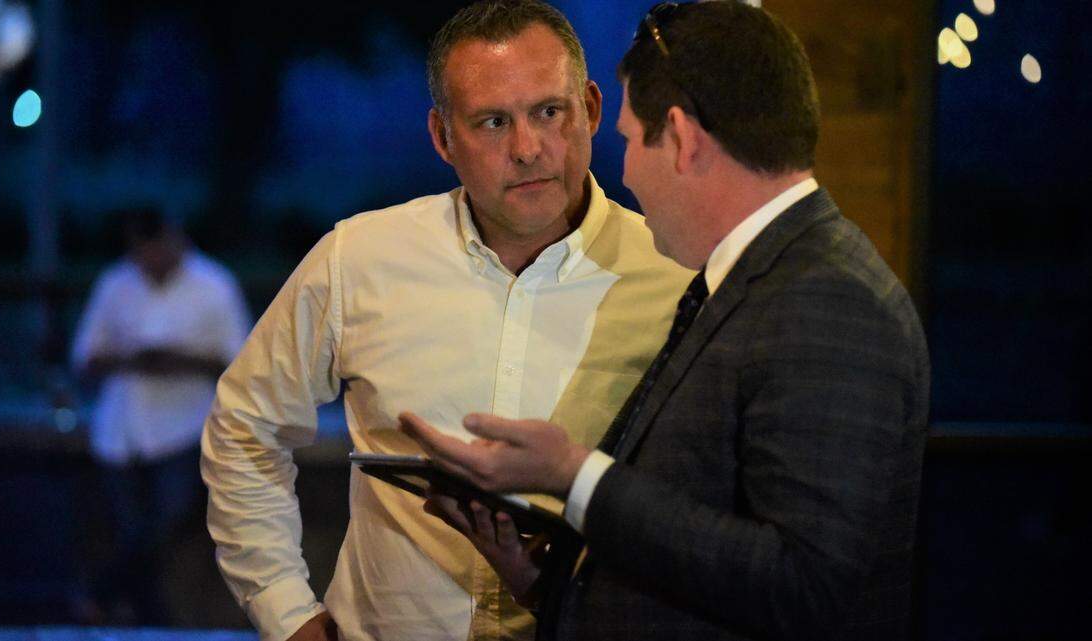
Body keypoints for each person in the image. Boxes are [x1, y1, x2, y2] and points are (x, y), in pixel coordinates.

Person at [399, 2, 932, 641]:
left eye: (627, 138)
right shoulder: (766, 277)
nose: (622, 172)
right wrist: (547, 579)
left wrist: (572, 474)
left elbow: (803, 586)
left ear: (680, 138)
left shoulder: (827, 300)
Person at [199, 2, 692, 641]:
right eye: (492, 122)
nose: (528, 148)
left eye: (549, 111)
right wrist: (288, 613)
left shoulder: (674, 274)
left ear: (592, 110)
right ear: (442, 138)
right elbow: (244, 426)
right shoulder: (361, 259)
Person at [71, 207, 250, 624]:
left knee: (167, 523)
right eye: (141, 251)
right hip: (120, 429)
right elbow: (85, 355)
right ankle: (151, 619)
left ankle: (101, 593)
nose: (149, 259)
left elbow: (239, 359)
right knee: (134, 529)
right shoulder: (115, 283)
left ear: (176, 239)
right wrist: (130, 358)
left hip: (183, 427)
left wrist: (182, 360)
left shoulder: (214, 285)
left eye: (157, 248)